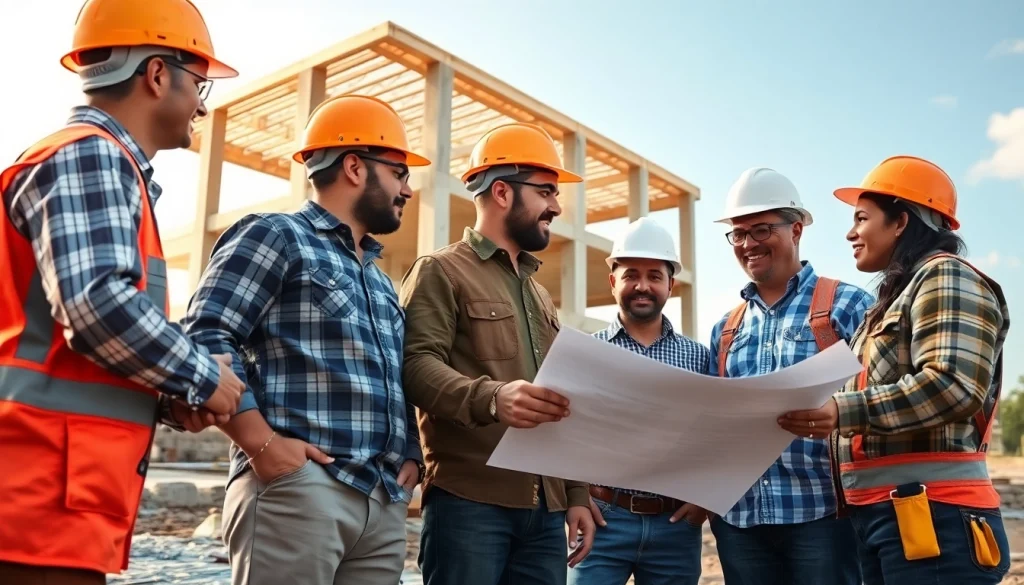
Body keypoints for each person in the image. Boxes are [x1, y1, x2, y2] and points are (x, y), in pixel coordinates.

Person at [0, 1, 243, 583]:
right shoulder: (90, 154)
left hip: (53, 505)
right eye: (199, 82)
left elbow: (60, 342)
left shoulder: (98, 164)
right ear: (158, 75)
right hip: (32, 503)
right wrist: (205, 376)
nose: (203, 104)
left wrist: (164, 396)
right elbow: (95, 307)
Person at [180, 94, 430, 585]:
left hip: (381, 503)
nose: (408, 188)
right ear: (355, 167)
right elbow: (207, 333)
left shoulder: (379, 280)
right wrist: (262, 444)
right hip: (299, 491)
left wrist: (411, 454)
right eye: (399, 172)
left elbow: (392, 377)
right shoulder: (275, 235)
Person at [779, 155, 1013, 583]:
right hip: (889, 515)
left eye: (862, 218)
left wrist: (840, 411)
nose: (851, 233)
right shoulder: (893, 301)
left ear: (901, 221)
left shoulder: (946, 277)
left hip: (935, 515)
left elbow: (953, 385)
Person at [399, 121, 596, 584]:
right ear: (503, 192)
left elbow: (559, 400)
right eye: (546, 190)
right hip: (470, 505)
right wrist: (492, 398)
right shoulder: (439, 271)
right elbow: (414, 366)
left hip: (545, 514)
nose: (555, 205)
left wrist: (576, 493)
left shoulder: (540, 295)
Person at [707, 167, 873, 585]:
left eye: (760, 230)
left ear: (796, 229)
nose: (747, 244)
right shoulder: (726, 328)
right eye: (738, 234)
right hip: (740, 520)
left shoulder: (848, 306)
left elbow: (880, 399)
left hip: (823, 516)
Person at [568, 217, 710, 585]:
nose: (642, 286)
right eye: (631, 274)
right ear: (613, 280)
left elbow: (713, 435)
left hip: (674, 527)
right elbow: (565, 435)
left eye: (654, 276)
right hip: (601, 520)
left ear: (670, 285)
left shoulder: (699, 358)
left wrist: (706, 497)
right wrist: (577, 498)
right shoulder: (585, 352)